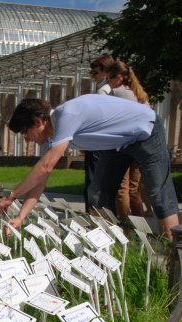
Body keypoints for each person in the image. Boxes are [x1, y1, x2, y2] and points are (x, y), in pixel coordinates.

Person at [0, 97, 179, 241]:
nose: (27, 140)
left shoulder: (67, 116)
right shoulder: (50, 140)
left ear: (37, 121)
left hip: (145, 131)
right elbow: (40, 180)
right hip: (116, 144)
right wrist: (20, 216)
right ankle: (107, 252)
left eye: (25, 133)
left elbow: (45, 167)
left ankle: (173, 262)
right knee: (97, 194)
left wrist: (11, 196)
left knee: (158, 194)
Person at [104, 61, 154, 221]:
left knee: (122, 188)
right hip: (141, 145)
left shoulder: (116, 93)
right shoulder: (139, 93)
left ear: (118, 77)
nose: (107, 83)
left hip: (123, 145)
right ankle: (141, 229)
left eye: (109, 79)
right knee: (134, 188)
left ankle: (124, 229)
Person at [83, 54, 115, 210]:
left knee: (93, 183)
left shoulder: (103, 91)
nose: (93, 76)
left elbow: (100, 120)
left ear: (105, 72)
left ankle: (93, 217)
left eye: (95, 72)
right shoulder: (112, 89)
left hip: (98, 144)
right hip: (109, 144)